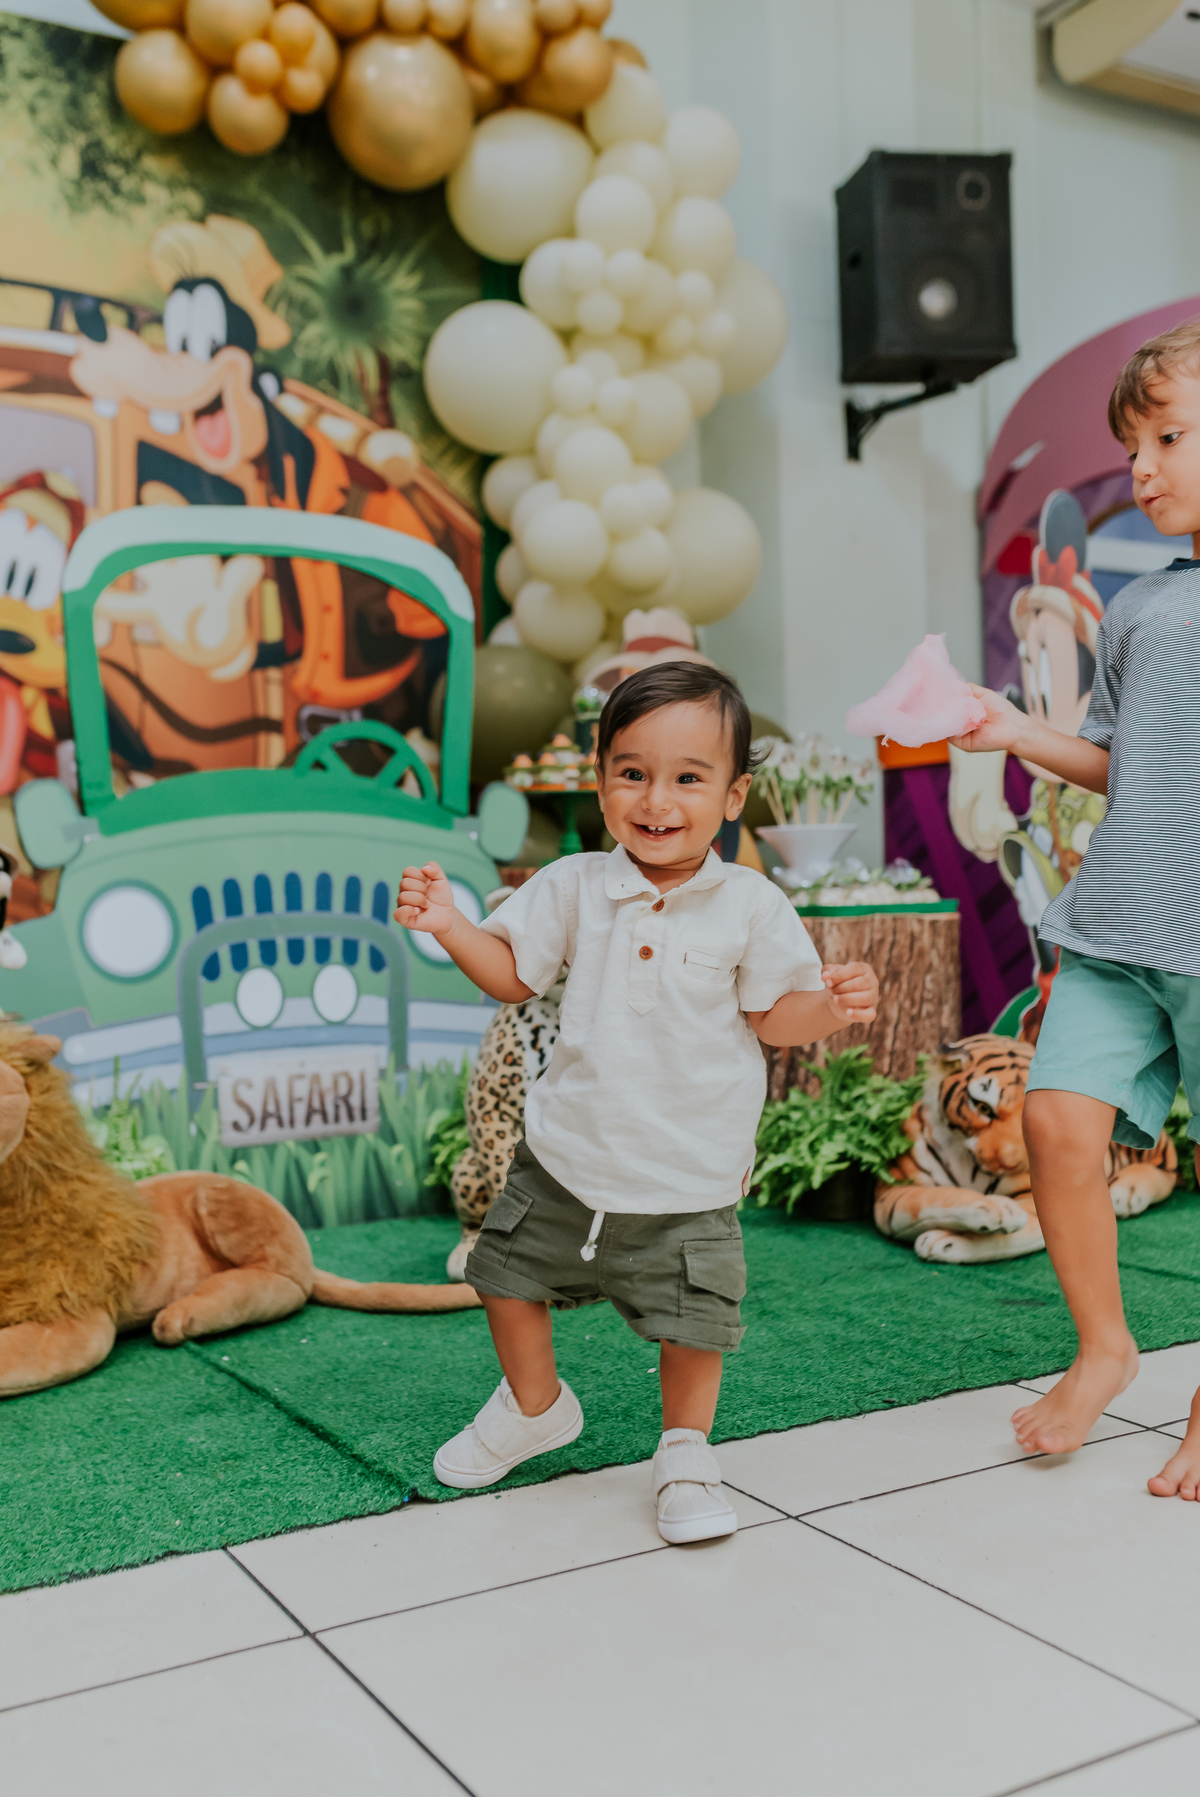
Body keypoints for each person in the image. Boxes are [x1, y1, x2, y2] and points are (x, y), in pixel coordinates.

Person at [396, 663, 879, 1543]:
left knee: (693, 1322)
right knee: (501, 1274)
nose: (658, 799)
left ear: (733, 795)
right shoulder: (575, 884)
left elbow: (776, 1017)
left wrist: (833, 1006)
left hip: (688, 1171)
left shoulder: (750, 904)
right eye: (633, 772)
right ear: (602, 779)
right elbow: (514, 974)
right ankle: (535, 1405)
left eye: (688, 778)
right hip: (569, 1155)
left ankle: (687, 1448)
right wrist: (452, 925)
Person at [951, 320, 1200, 1498]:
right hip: (1117, 929)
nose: (1140, 470)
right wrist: (1012, 733)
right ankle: (1106, 1345)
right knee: (1057, 1124)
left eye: (1167, 439)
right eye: (1133, 447)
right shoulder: (1145, 605)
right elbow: (1117, 759)